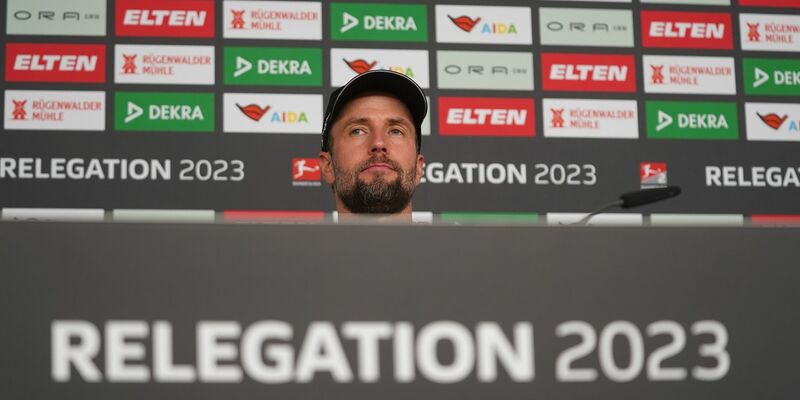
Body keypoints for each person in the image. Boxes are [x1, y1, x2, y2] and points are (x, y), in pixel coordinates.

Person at [319, 70, 427, 222]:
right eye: (357, 131)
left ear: (418, 167)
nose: (378, 143)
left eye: (396, 131)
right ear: (327, 166)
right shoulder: (286, 247)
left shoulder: (464, 246)